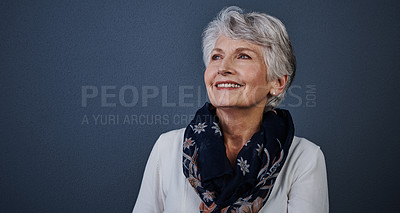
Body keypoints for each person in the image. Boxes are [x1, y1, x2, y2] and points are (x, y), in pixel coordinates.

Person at [133, 6, 328, 213]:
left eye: (243, 56)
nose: (223, 67)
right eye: (216, 56)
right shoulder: (167, 147)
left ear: (277, 82)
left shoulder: (304, 158)